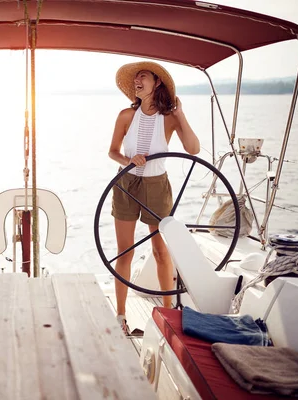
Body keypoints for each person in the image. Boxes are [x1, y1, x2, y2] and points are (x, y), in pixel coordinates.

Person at [108, 61, 199, 335]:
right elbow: (112, 151)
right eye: (135, 78)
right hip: (126, 184)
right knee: (126, 251)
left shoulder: (169, 118)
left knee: (161, 251)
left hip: (157, 186)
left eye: (143, 76)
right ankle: (120, 315)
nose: (137, 81)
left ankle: (169, 313)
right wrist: (128, 160)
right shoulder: (126, 115)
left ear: (156, 83)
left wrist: (181, 114)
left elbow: (193, 149)